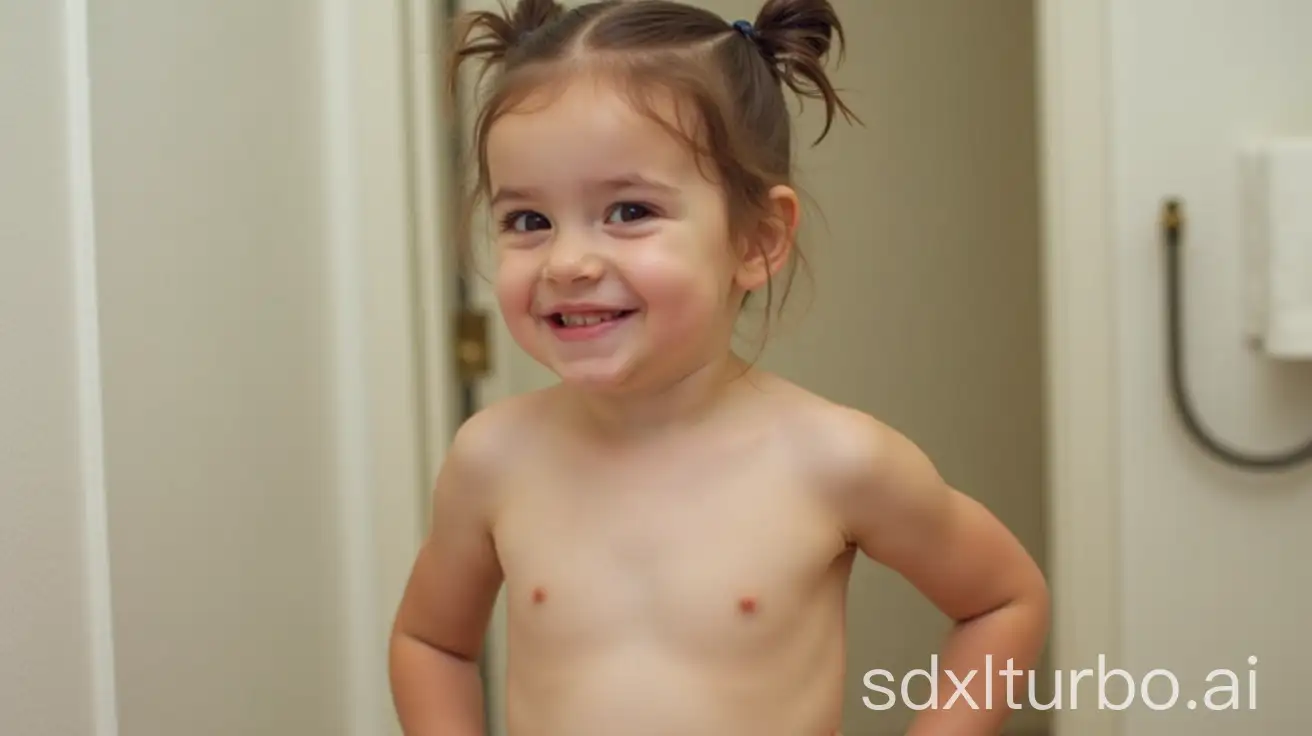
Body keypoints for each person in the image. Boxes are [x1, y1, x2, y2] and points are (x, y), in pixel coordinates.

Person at [388, 0, 1050, 733]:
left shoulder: (835, 459)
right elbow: (432, 643)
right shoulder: (493, 457)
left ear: (758, 241)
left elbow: (1001, 602)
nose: (568, 262)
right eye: (529, 221)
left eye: (630, 211)